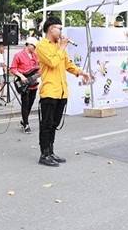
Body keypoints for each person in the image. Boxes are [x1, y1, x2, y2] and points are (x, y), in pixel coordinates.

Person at [36, 17, 90, 167]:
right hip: (49, 90)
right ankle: (44, 154)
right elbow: (52, 62)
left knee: (54, 123)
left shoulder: (60, 47)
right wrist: (62, 47)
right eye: (59, 28)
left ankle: (51, 151)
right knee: (46, 124)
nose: (61, 31)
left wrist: (81, 72)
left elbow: (67, 64)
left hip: (61, 91)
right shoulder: (41, 46)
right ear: (50, 29)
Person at [10, 36, 40, 133]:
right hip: (23, 83)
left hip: (33, 83)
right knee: (25, 103)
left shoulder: (35, 55)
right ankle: (26, 124)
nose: (35, 49)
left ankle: (24, 120)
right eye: (34, 46)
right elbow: (13, 68)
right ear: (28, 44)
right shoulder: (18, 55)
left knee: (31, 103)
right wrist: (21, 76)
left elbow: (37, 69)